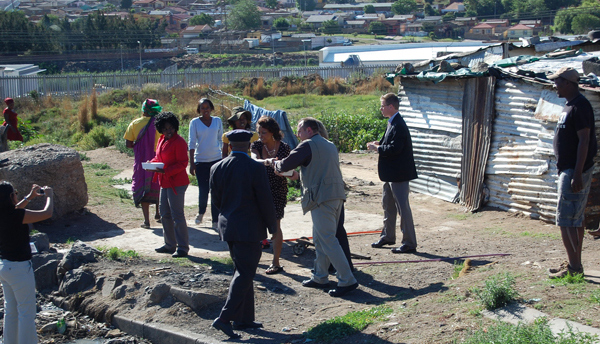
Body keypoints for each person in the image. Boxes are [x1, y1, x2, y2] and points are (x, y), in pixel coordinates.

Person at [273, 118, 358, 297]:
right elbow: (315, 170)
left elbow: (285, 164)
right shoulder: (329, 144)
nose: (297, 134)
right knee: (320, 239)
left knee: (327, 239)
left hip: (322, 198)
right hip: (334, 196)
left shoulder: (307, 145)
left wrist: (275, 164)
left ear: (310, 130)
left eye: (300, 130)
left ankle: (347, 279)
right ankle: (320, 276)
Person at [210, 129, 277, 339]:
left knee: (241, 270)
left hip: (228, 226)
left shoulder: (216, 167)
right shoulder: (254, 167)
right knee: (245, 273)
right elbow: (265, 200)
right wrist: (273, 228)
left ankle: (243, 318)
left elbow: (217, 200)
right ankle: (224, 318)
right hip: (249, 228)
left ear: (230, 146)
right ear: (249, 146)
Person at [547, 67, 597, 278]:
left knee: (566, 220)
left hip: (573, 170)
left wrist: (577, 173)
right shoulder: (570, 105)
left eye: (557, 82)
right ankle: (573, 263)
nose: (554, 86)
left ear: (568, 82)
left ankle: (575, 269)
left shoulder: (580, 106)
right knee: (573, 219)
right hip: (568, 169)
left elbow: (584, 141)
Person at [0, 181, 54, 344]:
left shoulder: (5, 213)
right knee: (26, 313)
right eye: (15, 193)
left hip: (4, 266)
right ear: (10, 197)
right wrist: (50, 196)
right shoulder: (17, 216)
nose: (17, 195)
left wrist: (28, 197)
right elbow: (47, 213)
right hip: (19, 268)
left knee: (11, 310)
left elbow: (16, 209)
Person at [367, 93, 418, 254]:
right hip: (390, 174)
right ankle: (388, 236)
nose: (381, 109)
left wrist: (378, 148)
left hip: (399, 175)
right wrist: (380, 143)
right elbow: (391, 143)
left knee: (403, 209)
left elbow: (396, 149)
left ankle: (409, 242)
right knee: (388, 206)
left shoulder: (399, 124)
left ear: (391, 107)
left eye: (382, 106)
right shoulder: (392, 122)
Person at [250, 116, 291, 275]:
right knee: (256, 226)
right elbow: (254, 161)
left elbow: (290, 169)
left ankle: (276, 262)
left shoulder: (284, 148)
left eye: (264, 132)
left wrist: (283, 172)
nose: (260, 135)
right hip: (259, 190)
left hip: (277, 190)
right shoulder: (256, 145)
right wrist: (266, 161)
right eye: (259, 132)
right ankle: (253, 261)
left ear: (272, 132)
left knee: (275, 226)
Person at [151, 112, 190, 258]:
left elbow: (183, 163)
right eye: (166, 128)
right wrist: (152, 164)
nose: (169, 131)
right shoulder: (162, 139)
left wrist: (166, 170)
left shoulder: (179, 142)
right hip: (165, 182)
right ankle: (169, 244)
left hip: (177, 183)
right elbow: (158, 157)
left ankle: (183, 248)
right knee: (165, 214)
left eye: (171, 128)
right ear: (161, 129)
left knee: (177, 215)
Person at [123, 99, 161, 229]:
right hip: (157, 159)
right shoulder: (159, 124)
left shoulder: (135, 123)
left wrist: (140, 146)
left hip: (141, 162)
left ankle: (146, 221)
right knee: (157, 184)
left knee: (143, 186)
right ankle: (158, 213)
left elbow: (128, 144)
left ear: (143, 109)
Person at [188, 98, 222, 229]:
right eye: (202, 108)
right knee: (203, 190)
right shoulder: (195, 123)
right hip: (201, 160)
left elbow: (220, 139)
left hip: (216, 160)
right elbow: (191, 143)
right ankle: (201, 212)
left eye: (207, 107)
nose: (205, 110)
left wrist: (222, 157)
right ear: (199, 110)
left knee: (215, 191)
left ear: (211, 108)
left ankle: (215, 220)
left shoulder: (217, 121)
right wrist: (192, 163)